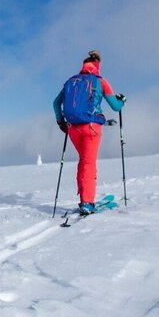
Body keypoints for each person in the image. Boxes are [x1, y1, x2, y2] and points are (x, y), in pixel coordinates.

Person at [53, 50, 125, 215]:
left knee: (84, 162)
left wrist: (60, 122)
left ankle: (84, 198)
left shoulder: (70, 82)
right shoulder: (100, 81)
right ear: (97, 66)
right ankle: (87, 202)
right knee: (88, 163)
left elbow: (56, 103)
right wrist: (122, 101)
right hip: (91, 128)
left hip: (73, 128)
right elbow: (115, 106)